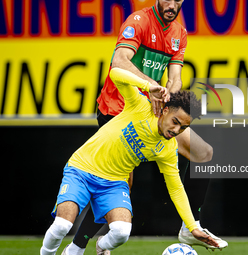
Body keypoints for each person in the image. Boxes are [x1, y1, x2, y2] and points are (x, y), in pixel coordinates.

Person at [62, 0, 227, 254]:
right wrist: (150, 86)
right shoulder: (137, 22)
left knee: (203, 153)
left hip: (155, 114)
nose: (172, 4)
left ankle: (190, 225)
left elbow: (175, 77)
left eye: (178, 0)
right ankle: (79, 247)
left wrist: (168, 99)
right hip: (120, 108)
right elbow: (119, 62)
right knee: (117, 188)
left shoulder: (179, 34)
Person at [40, 68, 219, 255]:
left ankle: (99, 246)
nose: (176, 130)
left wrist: (192, 227)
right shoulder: (141, 106)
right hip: (82, 169)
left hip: (114, 183)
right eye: (175, 121)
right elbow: (116, 72)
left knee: (121, 232)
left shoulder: (167, 149)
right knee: (62, 225)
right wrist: (148, 86)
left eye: (183, 127)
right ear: (165, 110)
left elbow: (176, 189)